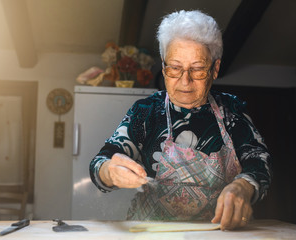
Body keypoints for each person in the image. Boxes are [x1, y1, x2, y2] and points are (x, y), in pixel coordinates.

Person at [89, 10, 271, 231]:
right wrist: (109, 170)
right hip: (150, 233)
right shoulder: (146, 112)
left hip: (218, 235)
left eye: (197, 69)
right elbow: (100, 162)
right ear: (164, 68)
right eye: (175, 68)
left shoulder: (231, 112)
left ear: (214, 69)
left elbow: (258, 162)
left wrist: (243, 186)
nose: (185, 81)